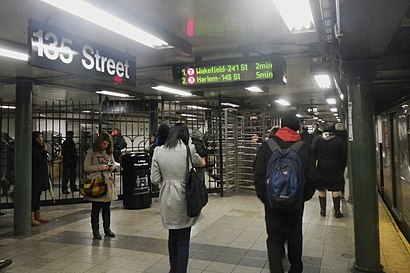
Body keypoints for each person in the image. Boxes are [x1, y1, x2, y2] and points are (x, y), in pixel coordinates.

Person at [253, 112, 317, 273]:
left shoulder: (267, 146)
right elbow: (312, 176)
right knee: (295, 234)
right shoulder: (304, 147)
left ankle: (276, 269)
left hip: (272, 202)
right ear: (298, 128)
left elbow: (258, 174)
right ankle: (295, 268)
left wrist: (265, 198)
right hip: (296, 202)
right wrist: (303, 197)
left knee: (274, 237)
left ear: (281, 126)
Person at [150, 123, 202, 273]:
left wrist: (167, 179)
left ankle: (173, 269)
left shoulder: (158, 151)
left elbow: (154, 179)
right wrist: (190, 143)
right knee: (184, 239)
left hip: (166, 197)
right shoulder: (188, 149)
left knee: (172, 235)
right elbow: (198, 162)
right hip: (184, 196)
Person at [84, 132, 119, 239]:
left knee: (107, 208)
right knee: (96, 208)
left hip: (107, 182)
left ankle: (107, 229)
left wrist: (111, 166)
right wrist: (100, 167)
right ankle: (95, 231)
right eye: (104, 143)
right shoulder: (91, 153)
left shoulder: (109, 153)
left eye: (107, 144)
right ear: (99, 143)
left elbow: (114, 164)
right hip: (96, 183)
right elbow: (86, 167)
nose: (105, 146)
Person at [313, 124, 347, 218]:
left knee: (321, 189)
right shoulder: (339, 141)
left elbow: (312, 153)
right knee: (335, 189)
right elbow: (343, 156)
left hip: (321, 167)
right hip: (335, 167)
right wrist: (341, 167)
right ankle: (337, 211)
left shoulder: (317, 140)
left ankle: (323, 210)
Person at [31, 131, 50, 226]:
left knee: (38, 196)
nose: (42, 139)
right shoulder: (34, 150)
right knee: (33, 197)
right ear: (36, 139)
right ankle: (31, 217)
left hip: (40, 175)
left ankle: (37, 215)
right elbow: (39, 162)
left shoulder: (39, 149)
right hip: (35, 176)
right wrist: (45, 152)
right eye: (41, 137)